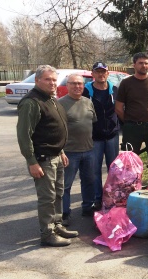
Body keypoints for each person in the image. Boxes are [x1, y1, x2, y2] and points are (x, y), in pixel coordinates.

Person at [17, 65, 79, 247]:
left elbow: (52, 128)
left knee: (58, 194)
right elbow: (24, 135)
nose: (52, 83)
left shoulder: (50, 99)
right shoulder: (31, 102)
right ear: (37, 81)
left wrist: (61, 151)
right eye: (47, 79)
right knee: (47, 198)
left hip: (56, 156)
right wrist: (31, 161)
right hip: (42, 159)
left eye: (54, 79)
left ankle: (57, 225)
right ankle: (47, 233)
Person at [115, 52, 148, 178]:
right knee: (129, 162)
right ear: (134, 65)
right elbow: (118, 108)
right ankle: (131, 189)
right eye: (140, 63)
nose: (144, 66)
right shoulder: (126, 83)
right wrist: (128, 121)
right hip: (132, 127)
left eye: (146, 63)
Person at [59, 74, 97, 224]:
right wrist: (61, 151)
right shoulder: (60, 104)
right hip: (69, 152)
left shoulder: (88, 102)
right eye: (73, 83)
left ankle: (88, 207)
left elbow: (92, 122)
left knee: (89, 181)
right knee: (65, 184)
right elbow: (56, 130)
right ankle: (64, 213)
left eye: (80, 84)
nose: (77, 86)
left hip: (88, 150)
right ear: (67, 85)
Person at [82, 61, 119, 211]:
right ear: (92, 74)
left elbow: (121, 108)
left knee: (114, 169)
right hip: (94, 137)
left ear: (107, 74)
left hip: (112, 136)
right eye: (97, 71)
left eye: (103, 71)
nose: (101, 74)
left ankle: (113, 197)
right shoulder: (86, 91)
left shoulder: (114, 90)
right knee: (95, 170)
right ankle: (98, 198)